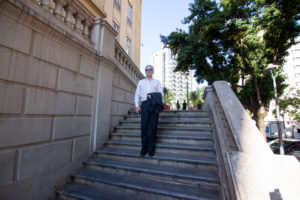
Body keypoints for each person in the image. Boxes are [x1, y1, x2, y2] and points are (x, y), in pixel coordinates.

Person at [134, 65, 164, 157]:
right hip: (145, 105)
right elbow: (137, 94)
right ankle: (144, 149)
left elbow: (161, 94)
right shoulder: (141, 82)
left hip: (154, 105)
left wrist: (152, 96)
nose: (148, 71)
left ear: (153, 71)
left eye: (150, 69)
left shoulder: (157, 82)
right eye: (146, 70)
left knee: (153, 128)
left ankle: (151, 149)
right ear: (145, 71)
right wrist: (137, 106)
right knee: (144, 127)